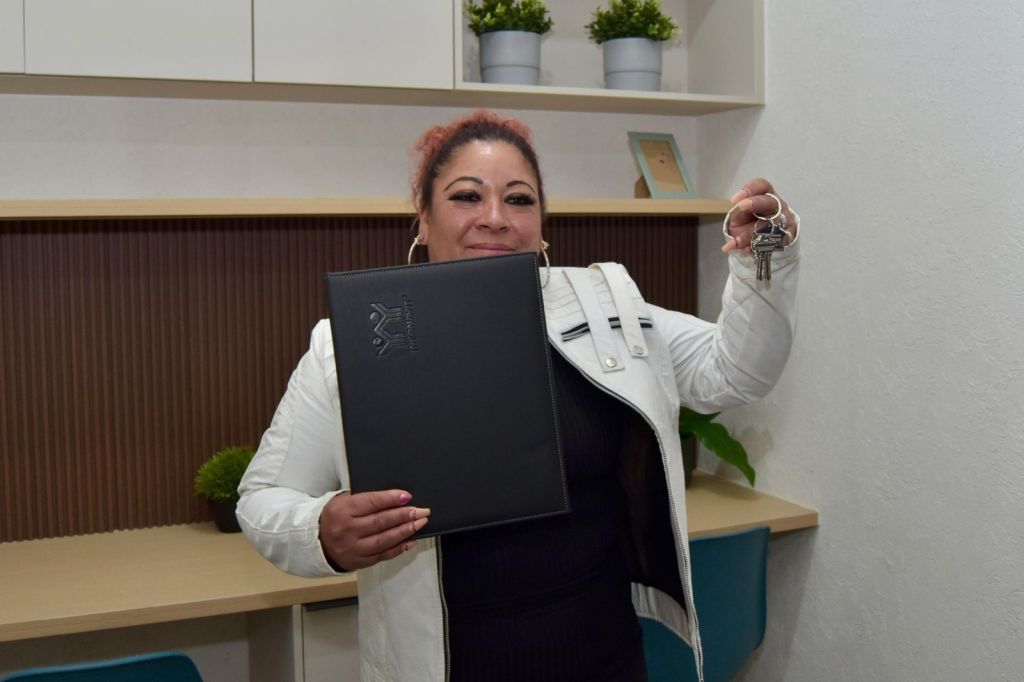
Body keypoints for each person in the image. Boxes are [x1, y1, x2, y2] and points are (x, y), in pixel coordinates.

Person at [237, 109, 800, 682]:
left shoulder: (606, 306)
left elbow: (736, 371)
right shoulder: (347, 345)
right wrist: (321, 531)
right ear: (422, 220)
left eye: (519, 199)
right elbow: (263, 498)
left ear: (542, 223)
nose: (495, 218)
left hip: (606, 660)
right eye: (466, 196)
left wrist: (766, 253)